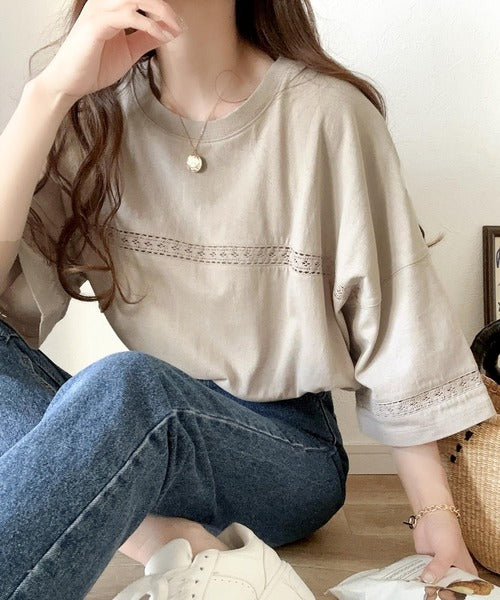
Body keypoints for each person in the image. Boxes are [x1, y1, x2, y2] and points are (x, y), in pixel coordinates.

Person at [0, 1, 495, 599]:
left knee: (131, 386)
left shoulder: (327, 115)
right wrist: (49, 93)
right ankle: (164, 538)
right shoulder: (95, 119)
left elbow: (395, 325)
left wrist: (435, 514)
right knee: (129, 391)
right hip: (138, 434)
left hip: (284, 455)